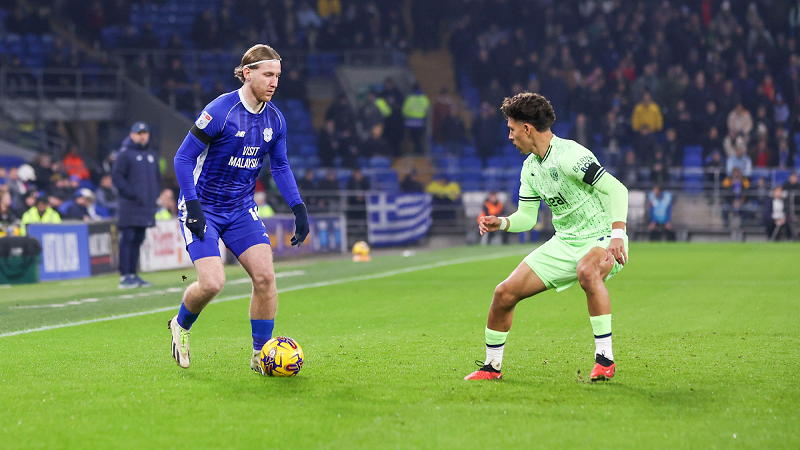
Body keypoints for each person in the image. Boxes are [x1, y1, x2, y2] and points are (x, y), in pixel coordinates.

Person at [466, 92, 629, 382]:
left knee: (587, 271)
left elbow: (618, 190)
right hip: (564, 241)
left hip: (601, 237)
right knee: (503, 293)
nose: (510, 136)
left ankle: (605, 359)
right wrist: (501, 222)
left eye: (512, 129)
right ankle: (492, 367)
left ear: (527, 129)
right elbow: (527, 218)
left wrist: (617, 234)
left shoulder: (571, 156)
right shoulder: (530, 167)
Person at [168, 44, 309, 375]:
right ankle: (180, 325)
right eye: (268, 74)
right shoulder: (221, 111)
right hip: (203, 206)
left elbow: (281, 166)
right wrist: (192, 204)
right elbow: (183, 158)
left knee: (264, 277)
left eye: (278, 75)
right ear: (248, 73)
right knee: (213, 283)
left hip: (241, 207)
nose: (274, 82)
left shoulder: (275, 119)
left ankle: (261, 355)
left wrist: (298, 206)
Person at [112, 121, 160, 289]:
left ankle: (133, 274)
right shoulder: (125, 154)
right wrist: (131, 194)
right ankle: (124, 276)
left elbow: (156, 179)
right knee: (128, 239)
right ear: (132, 135)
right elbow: (117, 177)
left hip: (146, 206)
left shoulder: (152, 155)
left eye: (145, 132)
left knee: (138, 239)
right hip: (130, 206)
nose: (142, 136)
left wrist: (153, 197)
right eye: (139, 133)